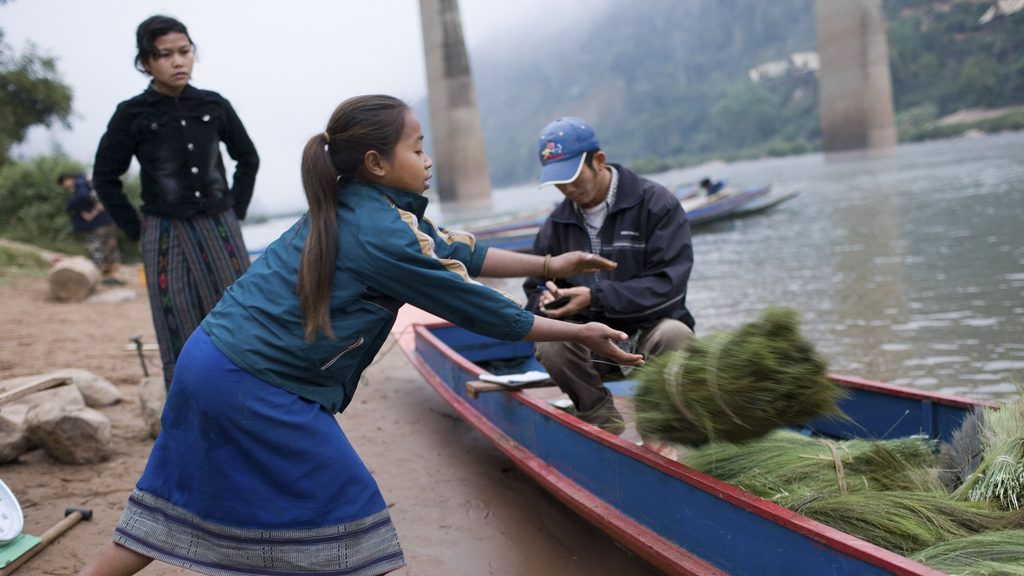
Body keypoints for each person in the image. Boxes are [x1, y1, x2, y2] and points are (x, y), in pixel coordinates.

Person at [76, 95, 643, 576]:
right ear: (375, 161)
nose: (428, 159)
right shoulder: (382, 233)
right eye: (417, 148)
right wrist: (581, 331)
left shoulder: (367, 206)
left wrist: (548, 266)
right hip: (253, 383)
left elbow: (453, 248)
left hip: (213, 361)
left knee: (160, 514)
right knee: (352, 514)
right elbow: (484, 312)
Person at [92, 15, 260, 389]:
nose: (178, 61)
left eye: (184, 52)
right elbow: (105, 176)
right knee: (177, 326)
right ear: (146, 62)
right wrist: (136, 230)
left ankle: (250, 403)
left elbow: (247, 158)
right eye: (165, 55)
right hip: (162, 231)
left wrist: (236, 210)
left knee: (239, 316)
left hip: (219, 225)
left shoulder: (214, 105)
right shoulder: (131, 114)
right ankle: (191, 411)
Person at [523, 117, 696, 435]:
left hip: (648, 332)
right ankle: (601, 418)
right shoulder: (557, 223)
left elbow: (668, 286)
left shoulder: (656, 205)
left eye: (573, 177)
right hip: (590, 338)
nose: (568, 189)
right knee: (550, 343)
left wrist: (594, 297)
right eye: (559, 182)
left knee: (676, 335)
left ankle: (661, 426)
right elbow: (534, 285)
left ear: (599, 161)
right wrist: (546, 300)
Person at [59, 172, 123, 285]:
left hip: (98, 224)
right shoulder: (89, 183)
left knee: (96, 249)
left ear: (67, 179)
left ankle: (97, 276)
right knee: (110, 248)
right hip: (108, 220)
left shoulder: (80, 184)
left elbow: (82, 196)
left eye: (63, 184)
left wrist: (69, 205)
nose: (65, 187)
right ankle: (112, 277)